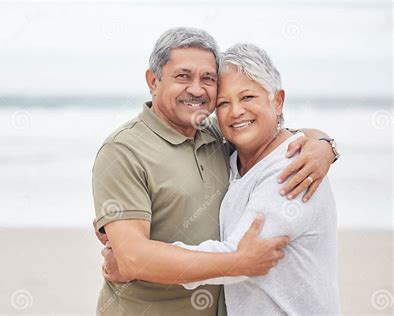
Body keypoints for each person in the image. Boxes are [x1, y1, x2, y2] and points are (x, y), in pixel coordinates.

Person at [92, 27, 338, 316]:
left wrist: (324, 144)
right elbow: (133, 257)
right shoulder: (124, 151)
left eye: (207, 79)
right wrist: (236, 262)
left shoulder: (235, 144)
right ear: (153, 80)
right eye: (183, 76)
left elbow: (268, 134)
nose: (196, 89)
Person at [172, 43, 340, 315]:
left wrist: (140, 259)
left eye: (247, 97)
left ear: (277, 100)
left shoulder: (294, 166)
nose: (235, 111)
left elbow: (237, 258)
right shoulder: (233, 159)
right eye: (224, 103)